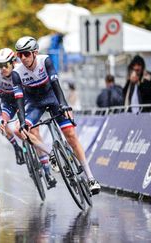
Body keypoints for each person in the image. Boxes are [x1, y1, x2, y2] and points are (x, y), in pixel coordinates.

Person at [11, 36, 101, 194]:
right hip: (34, 104)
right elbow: (19, 98)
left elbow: (56, 84)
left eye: (26, 54)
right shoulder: (17, 73)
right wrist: (22, 120)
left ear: (35, 53)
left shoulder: (44, 61)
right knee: (21, 130)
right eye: (19, 55)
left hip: (52, 99)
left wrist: (64, 104)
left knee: (71, 135)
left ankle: (90, 177)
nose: (23, 58)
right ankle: (51, 153)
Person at [0, 48, 24, 165]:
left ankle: (44, 162)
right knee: (0, 124)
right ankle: (16, 147)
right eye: (0, 65)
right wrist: (0, 118)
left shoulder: (21, 69)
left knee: (31, 131)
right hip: (9, 103)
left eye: (6, 65)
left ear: (13, 62)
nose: (3, 68)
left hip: (24, 102)